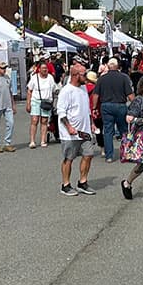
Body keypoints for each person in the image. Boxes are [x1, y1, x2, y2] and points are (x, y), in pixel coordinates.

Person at [56, 63, 97, 196]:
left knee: (88, 155)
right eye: (84, 74)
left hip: (85, 130)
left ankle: (82, 182)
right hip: (70, 133)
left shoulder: (84, 88)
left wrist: (92, 123)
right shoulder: (66, 91)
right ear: (75, 75)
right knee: (69, 158)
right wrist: (69, 127)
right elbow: (61, 112)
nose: (86, 77)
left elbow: (87, 109)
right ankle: (65, 184)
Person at [92, 58, 134, 162]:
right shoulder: (123, 77)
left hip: (106, 106)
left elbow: (95, 95)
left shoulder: (102, 79)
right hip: (120, 105)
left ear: (108, 66)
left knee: (108, 131)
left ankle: (109, 156)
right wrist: (135, 104)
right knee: (124, 130)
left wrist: (94, 108)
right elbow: (130, 94)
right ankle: (125, 153)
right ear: (117, 66)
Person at [26, 61, 58, 148]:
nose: (45, 70)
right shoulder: (34, 77)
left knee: (44, 121)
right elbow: (29, 90)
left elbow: (55, 89)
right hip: (36, 100)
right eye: (43, 68)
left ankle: (43, 140)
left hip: (46, 101)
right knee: (34, 120)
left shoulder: (50, 78)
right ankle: (32, 141)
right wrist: (28, 103)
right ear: (39, 69)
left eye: (46, 68)